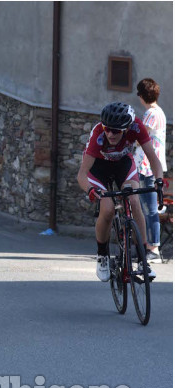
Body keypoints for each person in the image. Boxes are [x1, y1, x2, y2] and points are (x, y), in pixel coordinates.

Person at [77, 102, 163, 281]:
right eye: (107, 128)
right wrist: (91, 190)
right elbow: (82, 175)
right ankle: (102, 256)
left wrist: (159, 180)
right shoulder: (98, 134)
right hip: (98, 169)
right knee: (107, 209)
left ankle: (142, 259)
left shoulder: (137, 126)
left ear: (126, 128)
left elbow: (153, 158)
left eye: (115, 131)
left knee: (133, 199)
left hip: (123, 165)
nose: (110, 134)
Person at [133, 78, 168, 263]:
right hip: (151, 165)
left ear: (141, 96)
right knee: (148, 209)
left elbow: (140, 139)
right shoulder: (159, 112)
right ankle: (149, 247)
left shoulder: (151, 114)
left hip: (147, 166)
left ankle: (153, 249)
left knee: (149, 209)